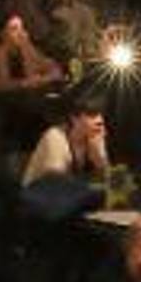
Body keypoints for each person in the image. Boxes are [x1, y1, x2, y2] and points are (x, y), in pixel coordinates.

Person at [19, 88, 112, 219]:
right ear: (74, 118)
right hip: (37, 205)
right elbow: (56, 182)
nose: (100, 120)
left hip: (66, 207)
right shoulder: (55, 136)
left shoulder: (93, 138)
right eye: (92, 115)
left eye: (101, 115)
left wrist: (99, 156)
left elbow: (110, 181)